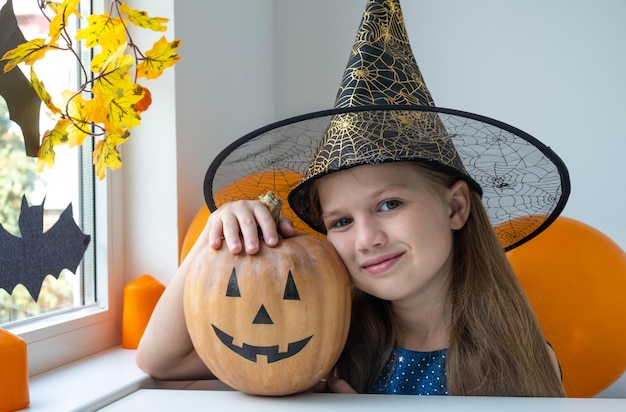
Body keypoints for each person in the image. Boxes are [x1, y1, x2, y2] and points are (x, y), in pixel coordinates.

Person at [136, 0, 569, 397]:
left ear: (455, 207)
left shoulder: (520, 365)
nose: (366, 239)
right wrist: (214, 237)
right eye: (340, 222)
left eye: (388, 205)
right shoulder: (325, 337)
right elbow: (162, 361)